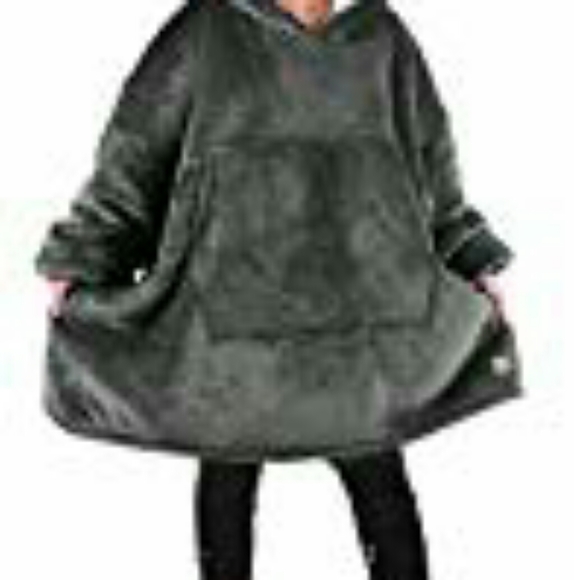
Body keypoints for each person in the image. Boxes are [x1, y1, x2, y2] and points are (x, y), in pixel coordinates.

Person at [37, 0, 521, 578]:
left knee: (380, 487)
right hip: (232, 334)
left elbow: (433, 167)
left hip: (358, 327)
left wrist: (470, 258)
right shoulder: (207, 31)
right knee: (230, 481)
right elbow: (135, 153)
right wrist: (85, 256)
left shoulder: (381, 38)